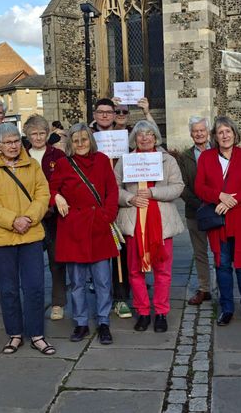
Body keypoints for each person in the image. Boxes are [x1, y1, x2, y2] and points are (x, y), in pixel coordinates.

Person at [0, 123, 53, 355]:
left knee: (35, 287)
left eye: (16, 141)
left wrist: (28, 218)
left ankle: (37, 334)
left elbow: (43, 193)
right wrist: (13, 220)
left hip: (30, 235)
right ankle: (15, 334)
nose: (13, 146)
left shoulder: (32, 165)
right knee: (8, 289)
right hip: (1, 238)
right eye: (7, 142)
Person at [50, 123, 120, 344]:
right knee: (77, 282)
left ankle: (103, 321)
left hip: (98, 226)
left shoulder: (101, 160)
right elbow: (50, 189)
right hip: (74, 229)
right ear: (70, 143)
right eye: (76, 140)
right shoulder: (62, 164)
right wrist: (57, 198)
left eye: (84, 139)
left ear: (91, 140)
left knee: (102, 281)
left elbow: (112, 190)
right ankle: (80, 322)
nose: (80, 144)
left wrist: (106, 215)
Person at [114, 121, 184, 333]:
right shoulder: (125, 161)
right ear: (134, 139)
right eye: (140, 135)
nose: (144, 138)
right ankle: (143, 312)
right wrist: (130, 198)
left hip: (160, 222)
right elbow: (113, 187)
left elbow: (178, 186)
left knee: (163, 270)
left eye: (149, 135)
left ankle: (161, 312)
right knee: (135, 271)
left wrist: (154, 193)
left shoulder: (167, 160)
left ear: (156, 138)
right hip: (134, 221)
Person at [196, 116, 241, 327]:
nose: (224, 136)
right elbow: (200, 187)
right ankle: (226, 309)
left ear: (234, 133)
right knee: (222, 266)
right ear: (215, 136)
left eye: (228, 131)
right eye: (220, 132)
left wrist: (231, 201)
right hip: (218, 222)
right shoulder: (206, 157)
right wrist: (219, 196)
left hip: (240, 219)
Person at [89, 98, 132, 319]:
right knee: (98, 251)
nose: (105, 115)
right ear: (95, 114)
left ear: (115, 115)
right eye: (101, 112)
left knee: (120, 250)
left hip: (120, 197)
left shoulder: (124, 135)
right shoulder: (88, 136)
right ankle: (100, 292)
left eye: (109, 112)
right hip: (95, 200)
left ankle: (121, 296)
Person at [24, 115, 68, 320]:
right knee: (31, 262)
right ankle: (34, 300)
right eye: (34, 133)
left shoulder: (57, 155)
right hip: (29, 215)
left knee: (56, 260)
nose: (38, 137)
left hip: (53, 215)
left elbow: (62, 182)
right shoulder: (22, 155)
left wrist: (51, 202)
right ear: (27, 135)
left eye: (42, 133)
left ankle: (58, 302)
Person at [174, 116, 213, 305]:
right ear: (191, 134)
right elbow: (182, 185)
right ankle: (205, 288)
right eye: (195, 131)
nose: (199, 134)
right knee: (200, 252)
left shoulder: (220, 151)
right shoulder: (185, 157)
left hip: (220, 209)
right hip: (195, 210)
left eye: (202, 130)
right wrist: (200, 204)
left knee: (222, 252)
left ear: (208, 132)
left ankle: (226, 287)